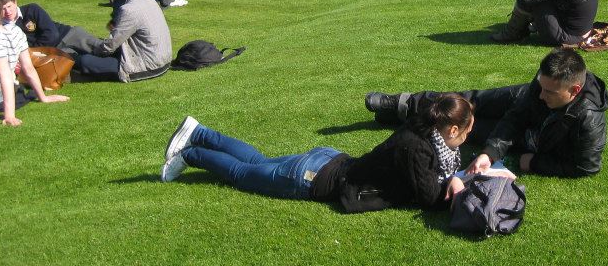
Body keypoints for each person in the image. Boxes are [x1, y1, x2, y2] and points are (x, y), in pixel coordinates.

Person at [161, 93, 475, 212]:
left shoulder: (423, 126)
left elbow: (433, 179)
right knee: (243, 174)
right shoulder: (417, 148)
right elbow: (428, 197)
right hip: (313, 177)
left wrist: (455, 177)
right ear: (451, 130)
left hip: (328, 161)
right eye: (467, 131)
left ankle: (200, 132)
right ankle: (191, 154)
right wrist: (456, 184)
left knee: (257, 162)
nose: (467, 137)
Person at [366, 49, 608, 177]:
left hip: (527, 139)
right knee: (466, 101)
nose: (541, 95)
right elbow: (516, 117)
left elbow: (586, 167)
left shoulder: (588, 119)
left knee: (466, 128)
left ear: (574, 90)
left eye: (550, 92)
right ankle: (401, 104)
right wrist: (490, 153)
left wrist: (534, 162)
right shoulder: (540, 87)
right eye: (541, 87)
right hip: (517, 105)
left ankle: (406, 117)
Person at [0, 0, 69, 125]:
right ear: (1, 13)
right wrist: (43, 97)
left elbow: (6, 75)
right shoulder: (16, 31)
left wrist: (9, 116)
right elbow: (28, 68)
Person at [75, 0, 172, 82]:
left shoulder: (130, 9)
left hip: (147, 66)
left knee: (84, 61)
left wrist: (94, 53)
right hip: (163, 60)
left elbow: (111, 45)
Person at [0, 0, 102, 54]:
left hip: (69, 35)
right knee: (86, 62)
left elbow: (52, 34)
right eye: (3, 9)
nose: (8, 11)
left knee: (103, 48)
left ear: (15, 2)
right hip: (54, 52)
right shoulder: (2, 28)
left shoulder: (32, 9)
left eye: (9, 6)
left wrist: (33, 50)